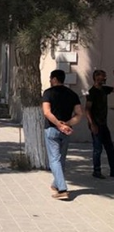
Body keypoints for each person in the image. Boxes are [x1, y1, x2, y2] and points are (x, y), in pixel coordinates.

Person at [42, 69, 83, 200]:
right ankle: (56, 184)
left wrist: (59, 125)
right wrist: (67, 124)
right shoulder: (72, 94)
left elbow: (47, 112)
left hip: (52, 129)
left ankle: (63, 189)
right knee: (61, 159)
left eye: (50, 78)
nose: (49, 80)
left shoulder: (48, 93)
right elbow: (79, 114)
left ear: (54, 79)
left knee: (54, 159)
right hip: (66, 131)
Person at [86, 70, 114, 179]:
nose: (105, 78)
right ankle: (96, 171)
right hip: (96, 124)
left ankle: (113, 170)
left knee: (110, 148)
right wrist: (92, 124)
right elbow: (87, 109)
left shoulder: (104, 89)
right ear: (97, 77)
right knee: (97, 149)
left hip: (103, 124)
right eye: (103, 76)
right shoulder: (92, 92)